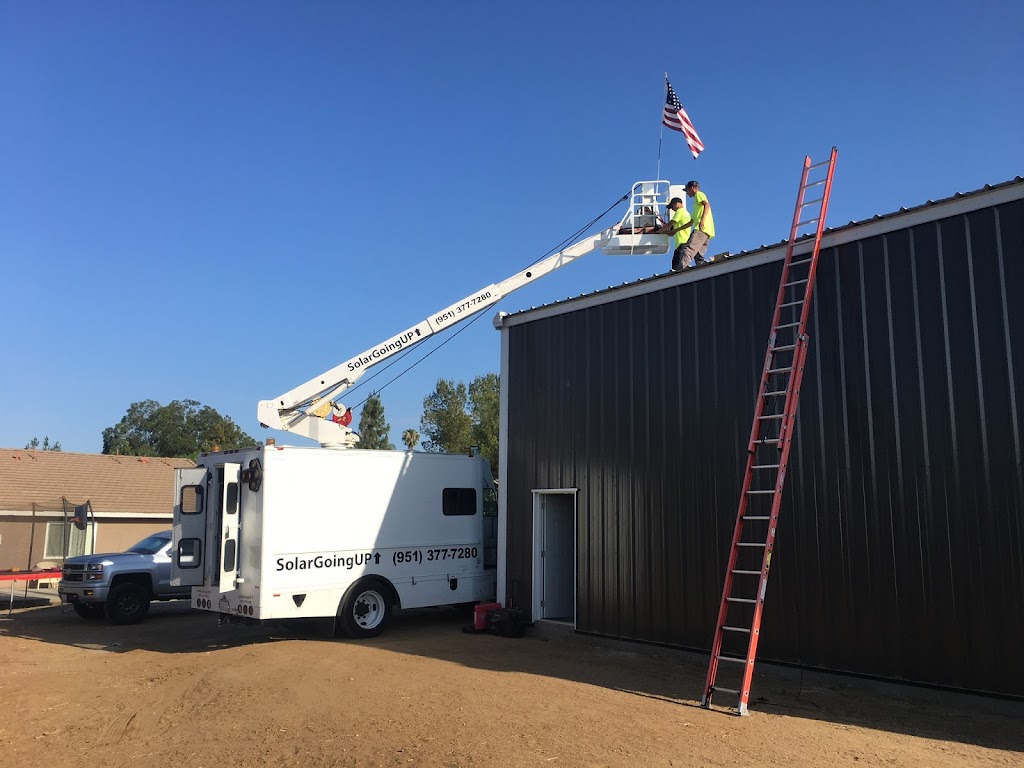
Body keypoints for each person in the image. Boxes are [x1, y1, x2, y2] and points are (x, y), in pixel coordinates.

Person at [681, 180, 715, 266]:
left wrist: (702, 221)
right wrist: (676, 230)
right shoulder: (696, 207)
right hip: (707, 231)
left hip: (700, 229)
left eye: (687, 190)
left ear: (692, 188)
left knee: (688, 250)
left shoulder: (698, 194)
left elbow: (706, 205)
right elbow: (691, 222)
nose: (687, 193)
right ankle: (702, 272)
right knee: (698, 255)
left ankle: (681, 272)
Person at [657, 197, 693, 272]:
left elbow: (671, 223)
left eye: (672, 206)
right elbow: (671, 232)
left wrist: (659, 231)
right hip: (683, 243)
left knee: (676, 268)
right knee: (678, 266)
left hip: (682, 243)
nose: (672, 209)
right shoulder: (686, 213)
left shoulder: (680, 211)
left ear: (677, 204)